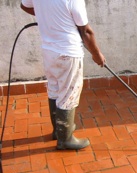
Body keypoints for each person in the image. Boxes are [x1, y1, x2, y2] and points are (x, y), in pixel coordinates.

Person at [20, 0, 106, 150]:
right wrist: (97, 54)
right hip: (68, 53)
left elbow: (24, 5)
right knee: (68, 94)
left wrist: (47, 17)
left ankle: (58, 131)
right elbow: (86, 31)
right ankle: (65, 139)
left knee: (55, 90)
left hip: (49, 51)